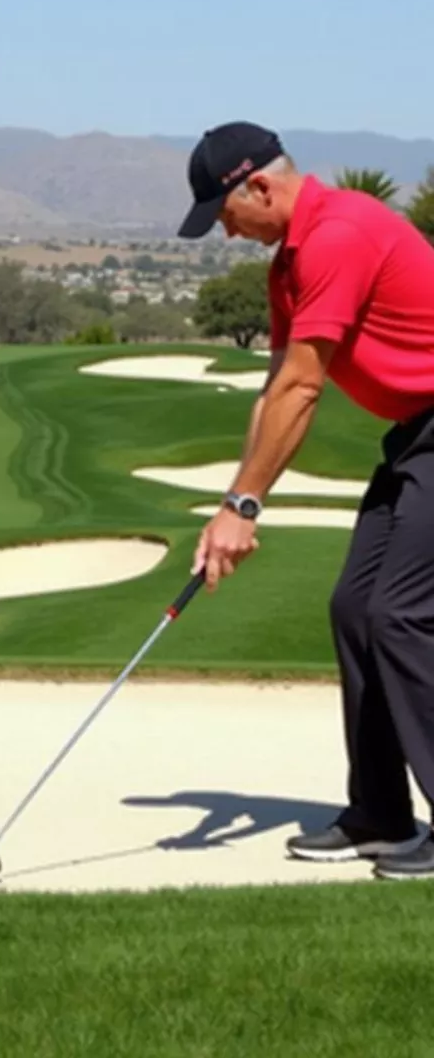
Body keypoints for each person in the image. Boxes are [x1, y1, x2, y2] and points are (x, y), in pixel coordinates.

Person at [178, 121, 434, 879]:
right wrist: (233, 503)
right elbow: (274, 387)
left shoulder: (341, 232)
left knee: (402, 612)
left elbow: (305, 386)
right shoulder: (288, 259)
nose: (226, 231)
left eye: (225, 213)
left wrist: (247, 509)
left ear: (259, 184)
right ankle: (381, 814)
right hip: (417, 435)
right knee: (355, 608)